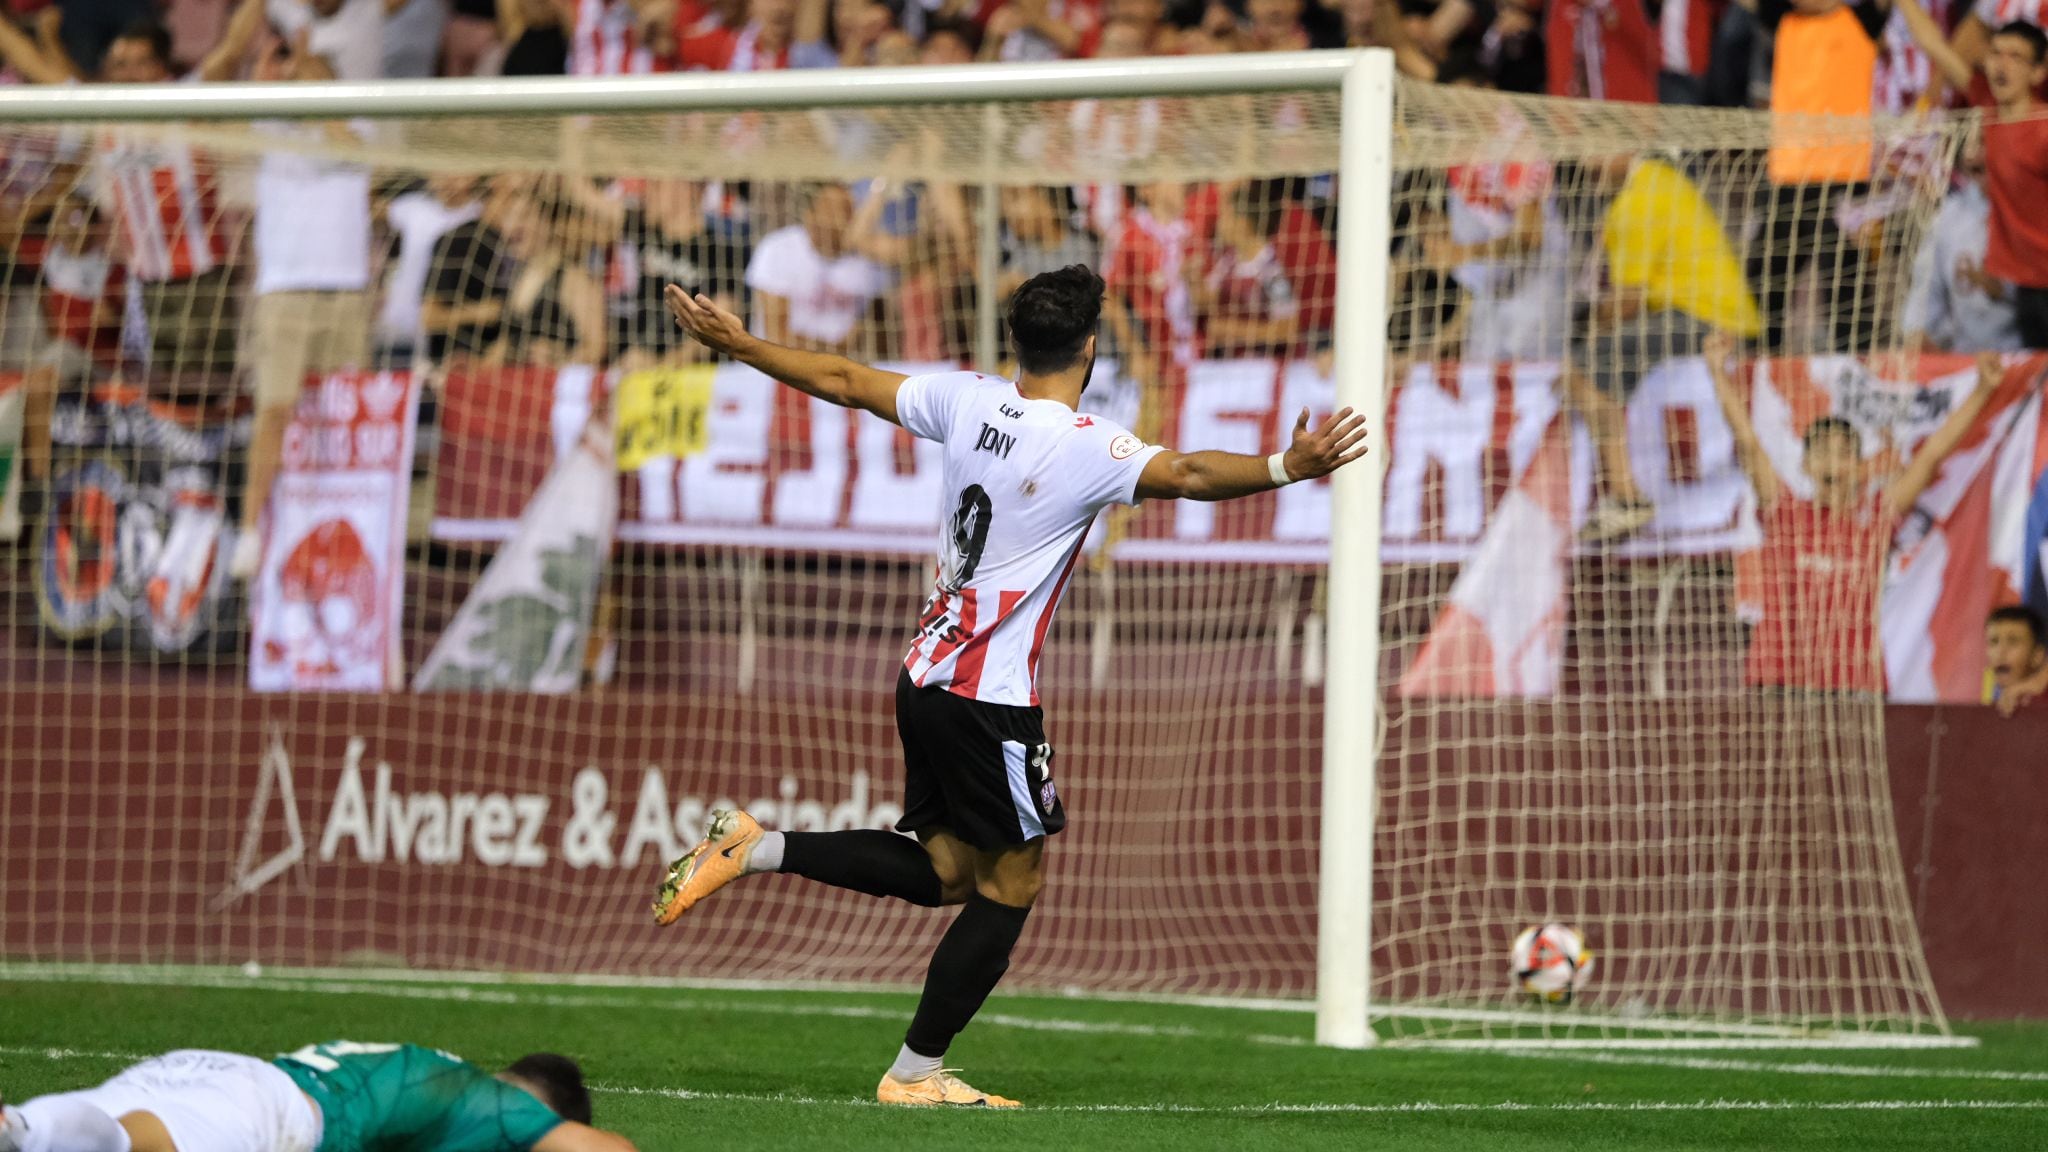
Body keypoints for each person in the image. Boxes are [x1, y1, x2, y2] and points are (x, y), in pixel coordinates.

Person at [650, 265, 1368, 1108]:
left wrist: (739, 344)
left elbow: (844, 381)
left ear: (1017, 343)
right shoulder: (1087, 445)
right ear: (1091, 348)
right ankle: (915, 1074)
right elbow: (1193, 477)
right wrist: (1291, 464)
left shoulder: (968, 400)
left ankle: (754, 847)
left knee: (952, 872)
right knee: (1012, 886)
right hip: (986, 696)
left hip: (924, 672)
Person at [1706, 336, 2003, 693]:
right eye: (1823, 452)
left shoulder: (1878, 515)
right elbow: (1749, 441)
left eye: (1843, 452)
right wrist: (1716, 372)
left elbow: (1931, 456)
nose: (1833, 461)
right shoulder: (1782, 510)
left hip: (1853, 683)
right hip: (1779, 679)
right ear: (1806, 465)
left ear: (1859, 466)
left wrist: (1983, 391)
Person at [232, 45, 375, 580]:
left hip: (347, 292)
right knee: (273, 409)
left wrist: (317, 86)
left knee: (347, 419)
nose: (300, 68)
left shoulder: (360, 116)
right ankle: (249, 531)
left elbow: (354, 149)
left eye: (313, 64)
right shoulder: (267, 117)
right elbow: (229, 89)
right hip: (284, 291)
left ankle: (351, 521)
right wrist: (269, 74)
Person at [1570, 152, 1760, 543]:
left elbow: (1624, 301)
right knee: (1594, 364)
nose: (1589, 166)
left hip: (1702, 316)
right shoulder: (1663, 180)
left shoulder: (1635, 201)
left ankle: (1626, 497)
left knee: (1579, 376)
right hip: (1727, 313)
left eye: (1596, 154)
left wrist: (1588, 341)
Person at [0, 1042, 636, 1151]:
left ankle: (20, 1127)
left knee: (92, 1128)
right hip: (271, 1113)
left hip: (205, 1072)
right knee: (134, 1140)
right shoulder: (490, 1104)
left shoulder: (430, 1079)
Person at [1899, 126, 2023, 354]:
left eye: (1984, 144)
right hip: (1965, 357)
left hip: (2028, 353)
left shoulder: (2032, 209)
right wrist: (1918, 330)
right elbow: (1925, 287)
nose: (1976, 154)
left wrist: (2005, 291)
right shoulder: (1950, 215)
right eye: (1970, 145)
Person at [1985, 604, 2048, 711]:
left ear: (2037, 655)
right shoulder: (1989, 708)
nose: (2001, 652)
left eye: (2013, 642)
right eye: (1994, 641)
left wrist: (2039, 680)